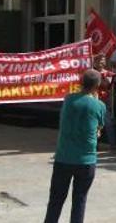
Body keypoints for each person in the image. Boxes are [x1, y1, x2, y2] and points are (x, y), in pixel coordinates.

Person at [44, 70, 106, 223]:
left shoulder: (69, 99)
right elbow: (99, 129)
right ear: (97, 86)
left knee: (56, 200)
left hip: (64, 158)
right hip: (86, 160)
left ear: (80, 83)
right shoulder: (99, 106)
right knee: (80, 200)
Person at [93, 54, 116, 148]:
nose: (102, 62)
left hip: (103, 101)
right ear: (95, 62)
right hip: (93, 100)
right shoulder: (91, 72)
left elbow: (106, 84)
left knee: (108, 122)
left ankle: (113, 144)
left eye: (103, 60)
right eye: (99, 60)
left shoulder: (108, 73)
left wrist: (99, 76)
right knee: (94, 123)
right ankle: (95, 144)